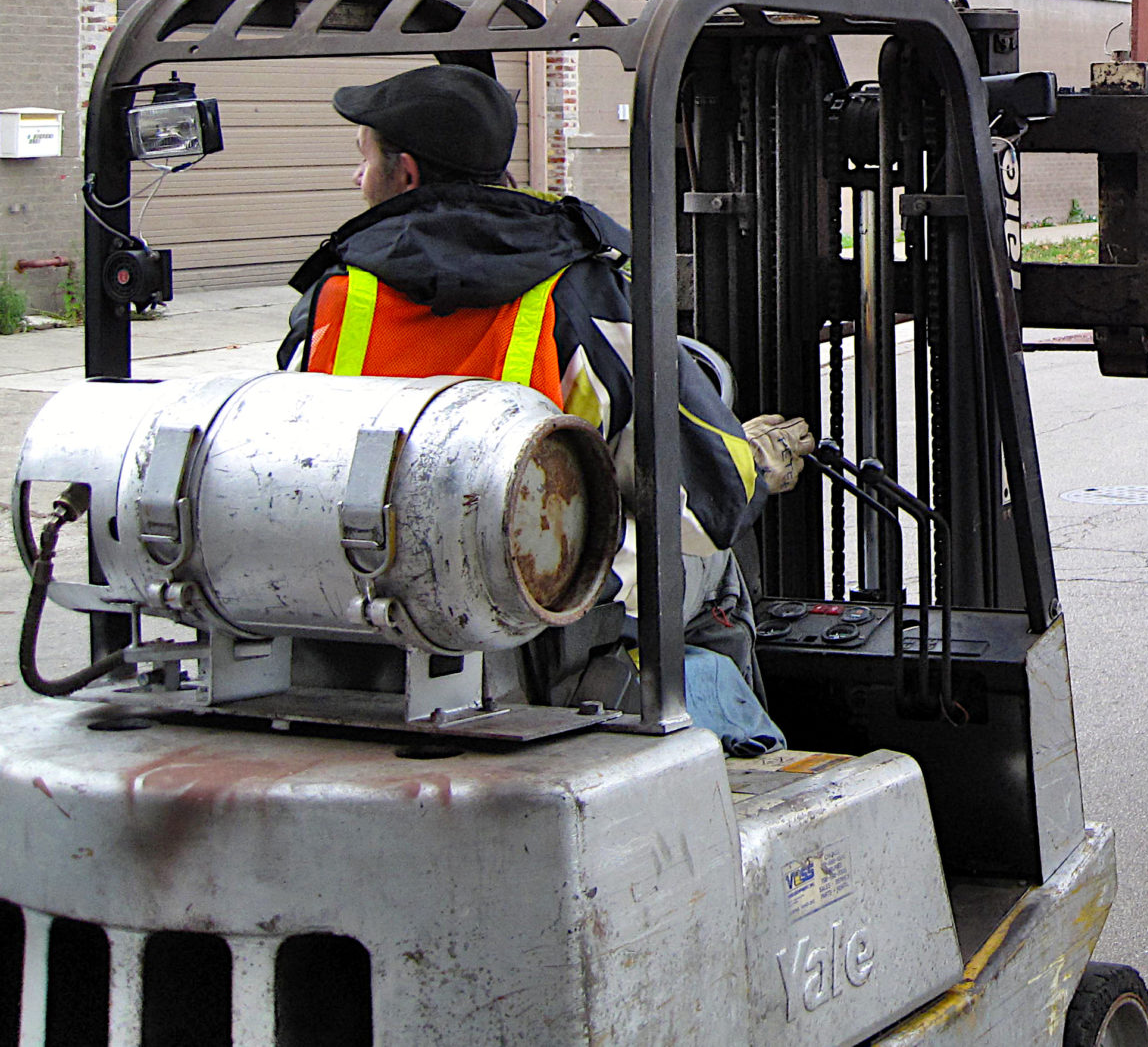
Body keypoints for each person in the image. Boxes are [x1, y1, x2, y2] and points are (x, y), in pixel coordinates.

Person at [277, 63, 808, 741]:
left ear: (405, 175)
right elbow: (711, 495)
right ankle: (731, 759)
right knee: (715, 559)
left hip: (366, 619)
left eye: (363, 161)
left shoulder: (333, 300)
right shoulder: (576, 290)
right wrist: (751, 461)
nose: (359, 180)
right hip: (534, 628)